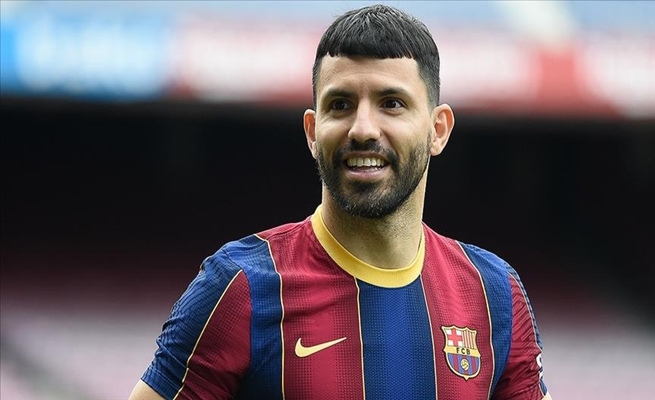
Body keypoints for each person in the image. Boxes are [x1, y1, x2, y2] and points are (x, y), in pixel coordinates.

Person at [129, 4, 551, 400]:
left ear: (437, 129)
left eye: (392, 104)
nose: (363, 129)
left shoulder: (494, 294)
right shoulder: (242, 287)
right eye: (340, 105)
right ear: (313, 132)